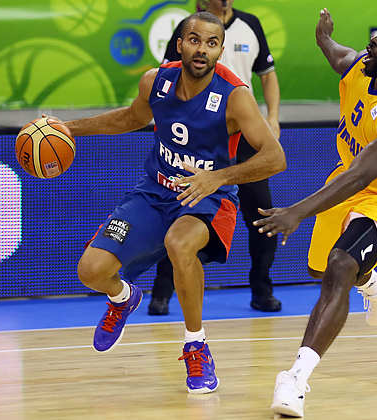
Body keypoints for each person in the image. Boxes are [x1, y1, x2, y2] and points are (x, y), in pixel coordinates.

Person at [53, 11, 285, 394]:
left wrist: (217, 178)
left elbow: (275, 157)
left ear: (220, 50)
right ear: (180, 45)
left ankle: (196, 346)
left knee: (179, 244)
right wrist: (68, 128)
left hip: (207, 198)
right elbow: (130, 118)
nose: (202, 49)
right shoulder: (155, 81)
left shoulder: (235, 96)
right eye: (195, 40)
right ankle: (123, 298)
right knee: (91, 271)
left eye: (212, 43)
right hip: (155, 191)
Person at [254, 9, 377, 417]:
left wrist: (296, 212)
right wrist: (324, 36)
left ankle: (295, 378)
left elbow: (362, 176)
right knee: (322, 271)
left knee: (340, 266)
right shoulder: (360, 67)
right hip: (347, 179)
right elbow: (337, 54)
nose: (376, 39)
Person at [148, 0, 283, 316]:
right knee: (179, 209)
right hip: (198, 135)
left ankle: (262, 289)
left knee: (262, 213)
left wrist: (273, 117)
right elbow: (166, 78)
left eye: (211, 43)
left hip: (243, 132)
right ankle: (162, 292)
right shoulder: (189, 29)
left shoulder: (251, 24)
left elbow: (267, 75)